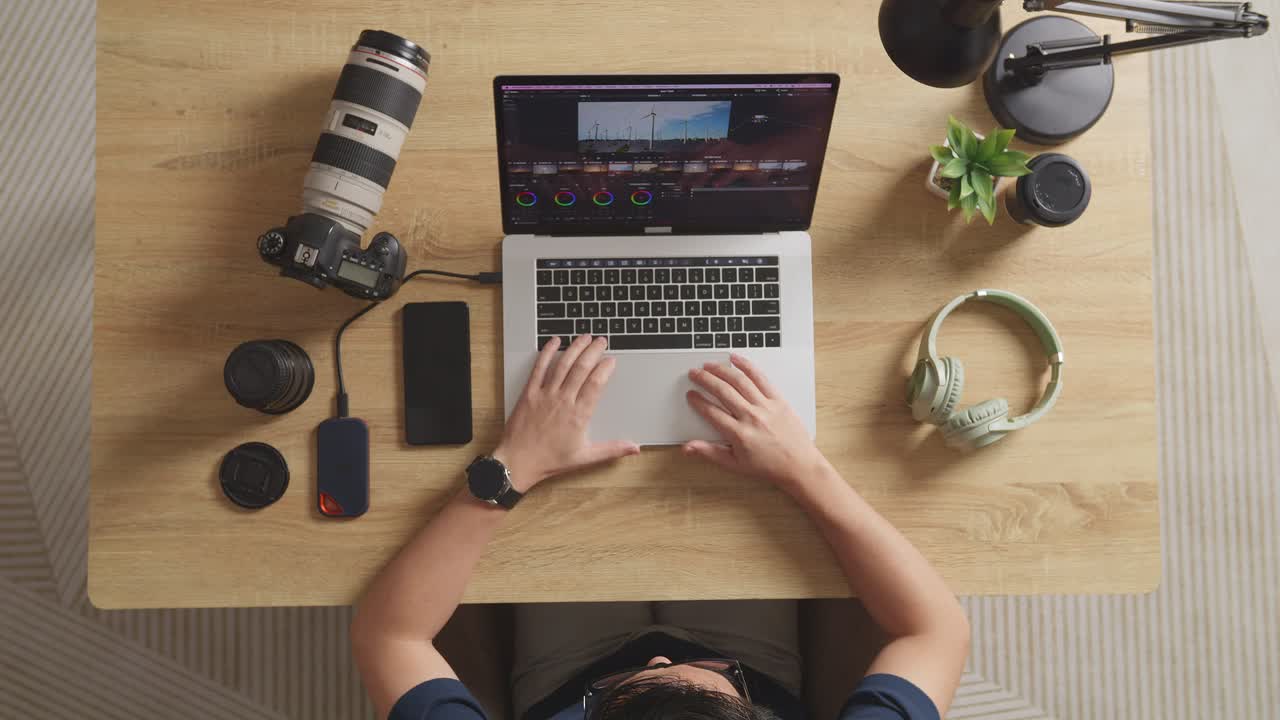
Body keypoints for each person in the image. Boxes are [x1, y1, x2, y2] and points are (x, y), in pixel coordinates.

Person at [352, 335, 970, 720]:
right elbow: (936, 630)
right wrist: (804, 470)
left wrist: (512, 469)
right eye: (706, 679)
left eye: (641, 673)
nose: (659, 651)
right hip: (757, 666)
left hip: (568, 674)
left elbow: (389, 635)